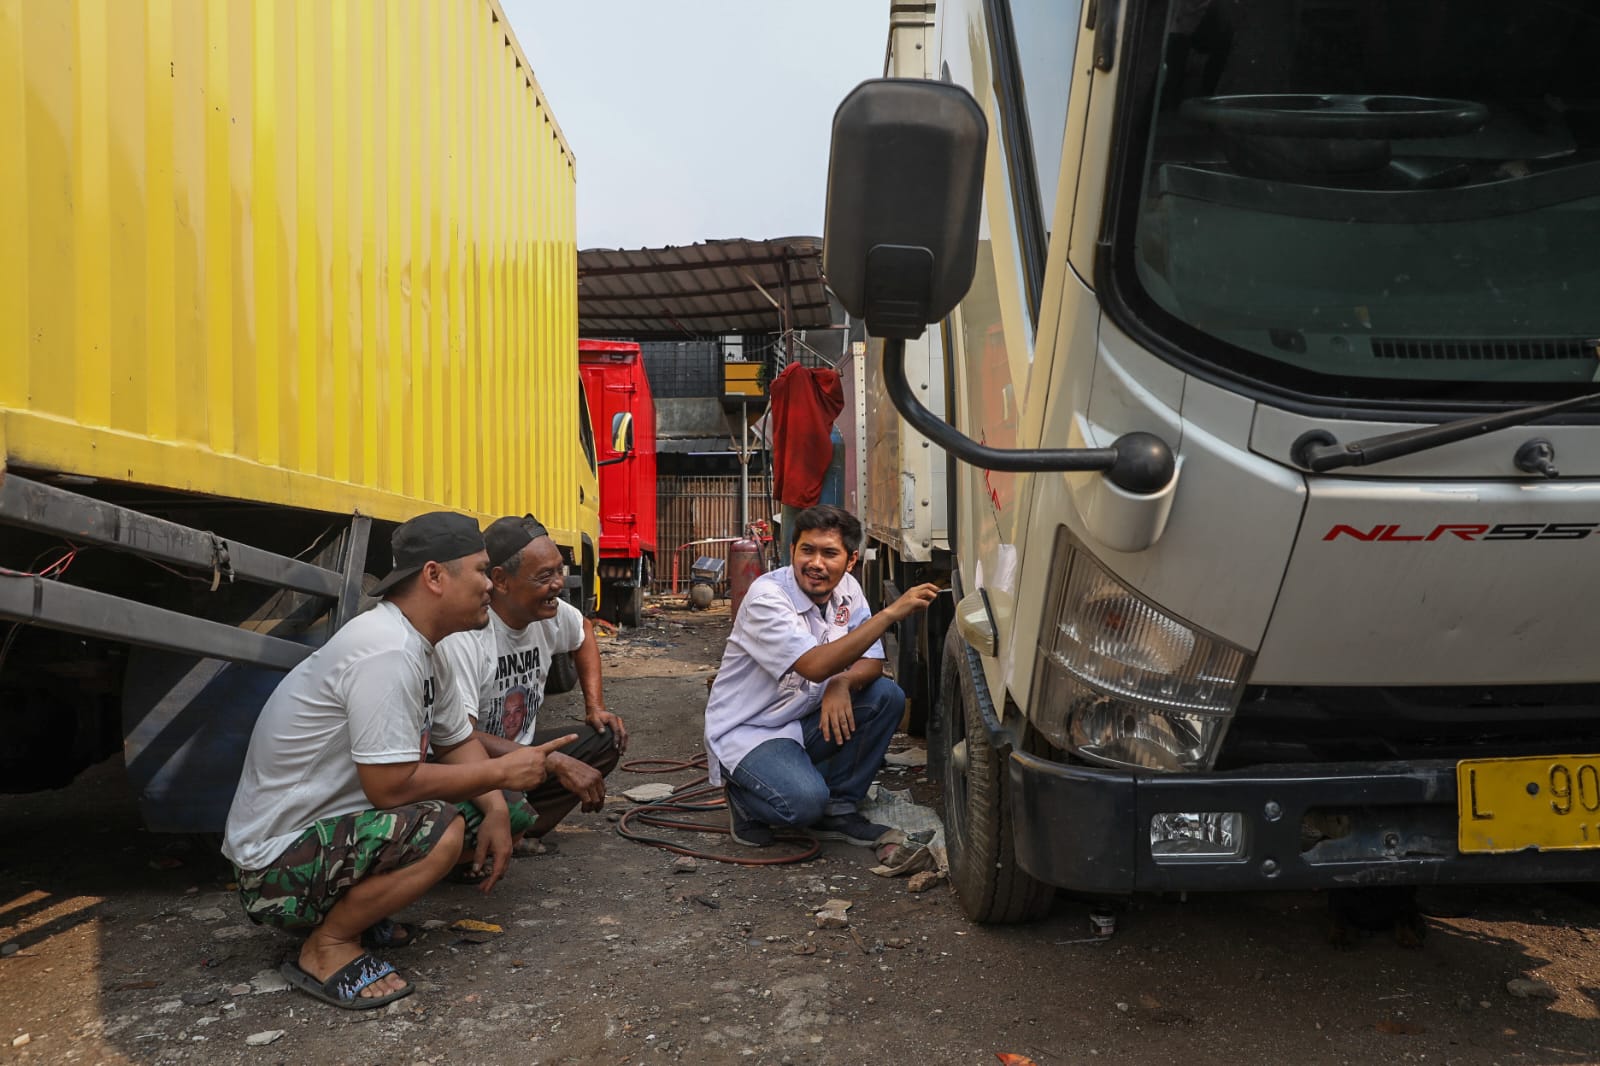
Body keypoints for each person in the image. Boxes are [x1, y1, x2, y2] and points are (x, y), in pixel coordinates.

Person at [222, 512, 575, 1011]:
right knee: (444, 828)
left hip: (327, 832)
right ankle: (327, 946)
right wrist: (500, 772)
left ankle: (356, 913)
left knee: (502, 807)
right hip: (273, 867)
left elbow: (454, 743)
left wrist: (496, 806)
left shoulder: (430, 646)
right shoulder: (385, 653)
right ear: (434, 577)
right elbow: (389, 787)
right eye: (479, 572)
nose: (488, 587)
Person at [703, 504, 939, 847]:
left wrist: (842, 682)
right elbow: (813, 665)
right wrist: (890, 614)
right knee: (801, 805)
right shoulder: (767, 598)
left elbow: (872, 662)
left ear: (851, 561)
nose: (815, 564)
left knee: (886, 697)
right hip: (751, 732)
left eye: (829, 553)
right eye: (807, 551)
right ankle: (744, 798)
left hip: (800, 719)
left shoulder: (848, 590)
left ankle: (840, 807)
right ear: (792, 551)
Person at [435, 515, 628, 853]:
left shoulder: (547, 612)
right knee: (483, 800)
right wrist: (552, 761)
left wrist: (595, 707)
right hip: (471, 767)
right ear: (501, 581)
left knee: (605, 738)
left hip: (521, 764)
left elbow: (583, 631)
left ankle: (519, 829)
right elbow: (456, 739)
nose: (558, 585)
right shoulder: (468, 635)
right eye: (545, 576)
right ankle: (486, 838)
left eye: (559, 571)